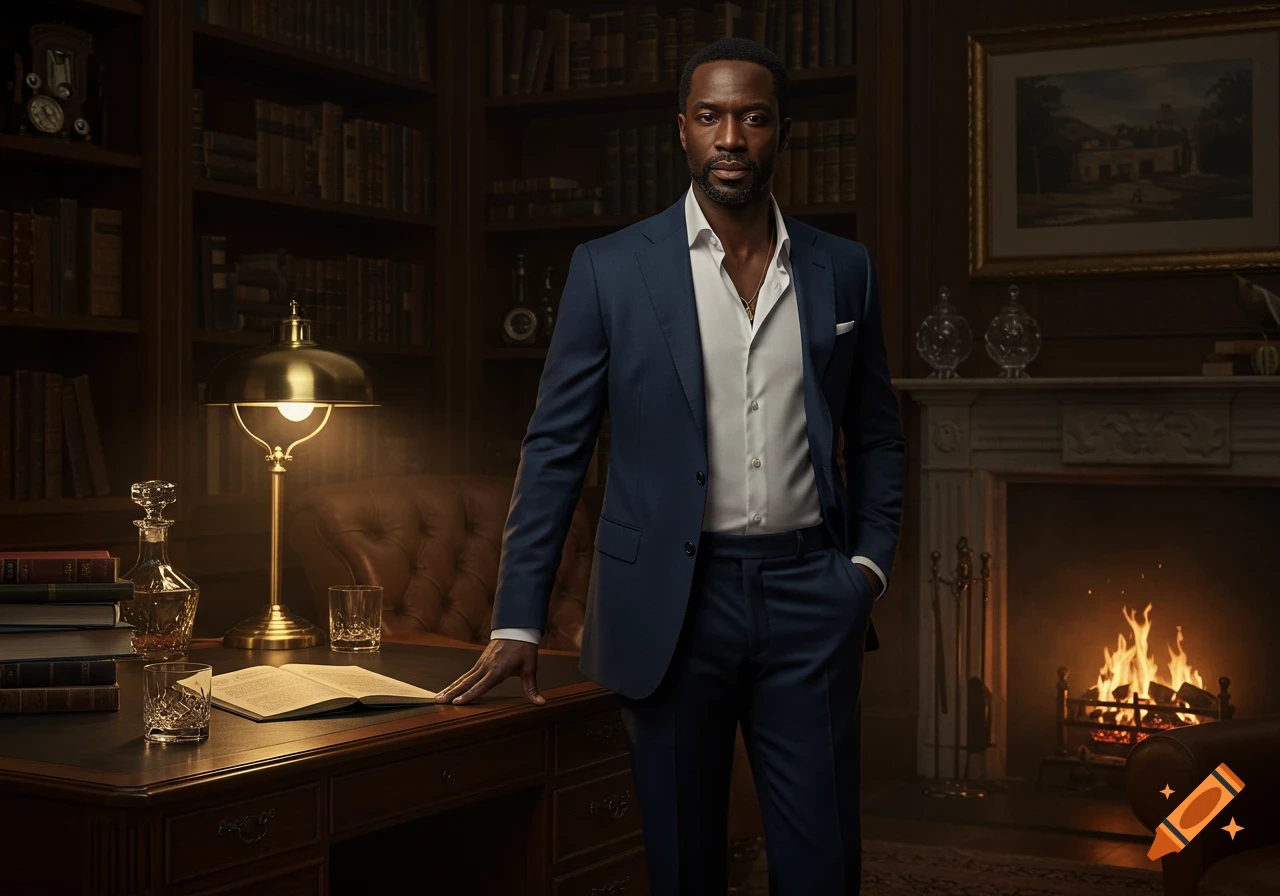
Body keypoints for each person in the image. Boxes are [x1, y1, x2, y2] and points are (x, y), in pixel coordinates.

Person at [436, 37, 905, 895]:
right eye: (711, 116)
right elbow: (554, 450)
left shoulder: (844, 269)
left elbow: (877, 434)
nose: (732, 136)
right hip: (669, 605)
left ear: (782, 132)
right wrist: (517, 619)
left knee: (823, 865)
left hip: (812, 593)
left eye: (753, 118)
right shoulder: (610, 269)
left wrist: (866, 569)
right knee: (685, 865)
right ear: (681, 133)